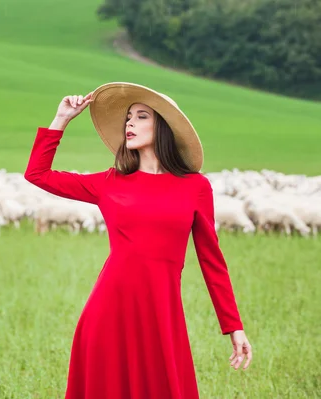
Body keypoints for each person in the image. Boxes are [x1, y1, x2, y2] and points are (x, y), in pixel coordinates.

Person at [23, 82, 252, 398]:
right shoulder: (109, 182)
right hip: (108, 311)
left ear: (163, 127)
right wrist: (61, 119)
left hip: (161, 314)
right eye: (128, 117)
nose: (129, 123)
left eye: (141, 116)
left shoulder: (195, 187)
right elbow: (37, 174)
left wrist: (234, 326)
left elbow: (212, 261)